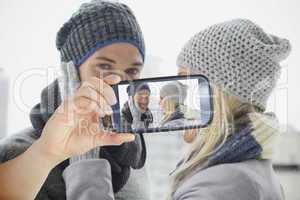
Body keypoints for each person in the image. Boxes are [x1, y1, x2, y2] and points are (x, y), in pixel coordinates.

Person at [62, 18, 291, 200]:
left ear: (218, 94)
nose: (178, 93)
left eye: (186, 81)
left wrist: (85, 166)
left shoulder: (220, 186)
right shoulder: (252, 170)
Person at [0, 0, 151, 200]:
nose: (119, 82)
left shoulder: (132, 151)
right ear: (70, 72)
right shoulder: (16, 153)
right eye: (104, 67)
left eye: (132, 70)